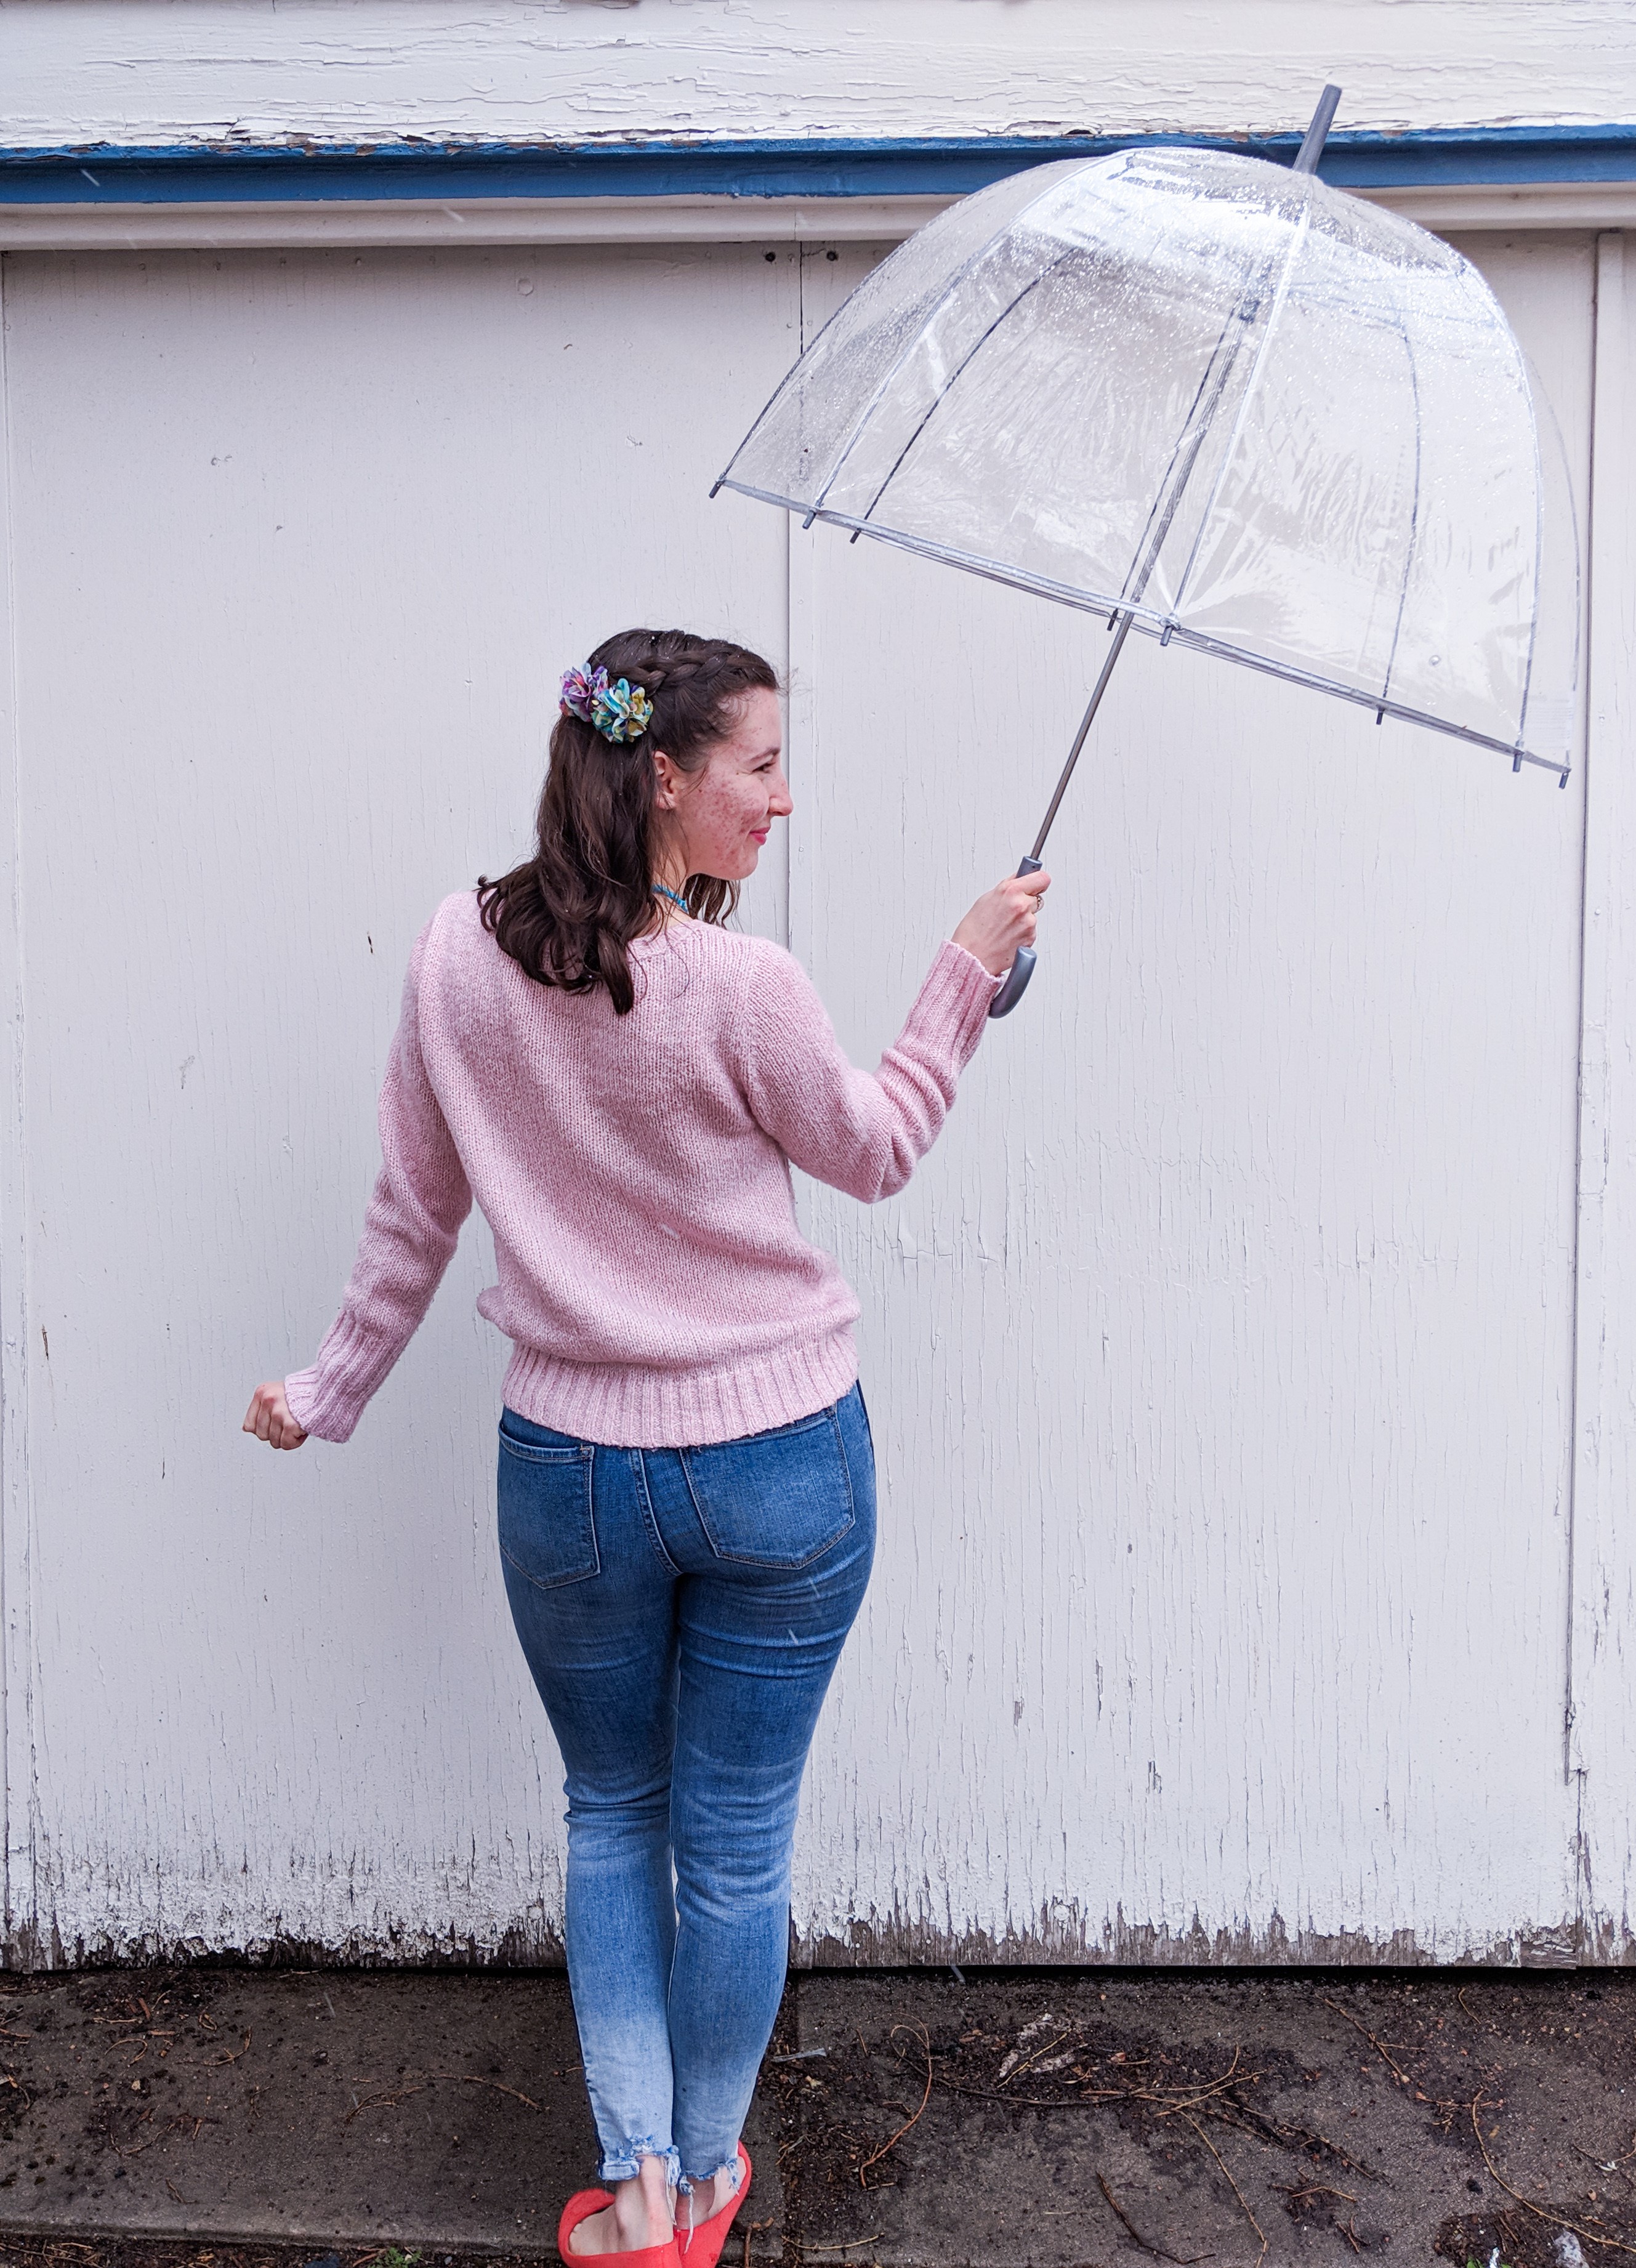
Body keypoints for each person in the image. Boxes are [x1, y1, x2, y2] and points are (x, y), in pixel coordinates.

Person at [243, 628, 1047, 2267]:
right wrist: (969, 971)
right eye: (760, 763)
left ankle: (645, 2192)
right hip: (782, 1467)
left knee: (616, 1809)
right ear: (665, 772)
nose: (785, 795)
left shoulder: (456, 958)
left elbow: (417, 1206)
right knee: (736, 1837)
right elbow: (879, 1146)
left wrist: (327, 1387)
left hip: (572, 1477)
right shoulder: (745, 987)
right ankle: (701, 2169)